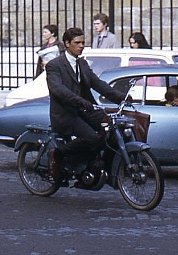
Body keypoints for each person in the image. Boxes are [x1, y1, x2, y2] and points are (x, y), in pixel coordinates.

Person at [44, 27, 127, 180]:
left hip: (84, 111)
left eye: (83, 42)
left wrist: (120, 96)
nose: (81, 45)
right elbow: (58, 89)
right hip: (66, 114)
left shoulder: (82, 64)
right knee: (91, 138)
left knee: (109, 130)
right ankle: (56, 153)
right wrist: (78, 99)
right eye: (77, 42)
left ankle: (90, 163)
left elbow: (97, 83)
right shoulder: (54, 65)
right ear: (67, 44)